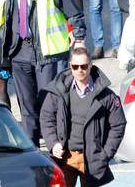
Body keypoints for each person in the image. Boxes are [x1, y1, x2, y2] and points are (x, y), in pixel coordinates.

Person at [0, 0, 86, 146]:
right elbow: (1, 17)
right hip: (18, 50)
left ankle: (55, 146)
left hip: (45, 51)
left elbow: (73, 12)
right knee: (26, 105)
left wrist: (78, 39)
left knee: (48, 102)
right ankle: (31, 149)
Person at [40, 47, 126, 186]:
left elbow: (118, 125)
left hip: (92, 158)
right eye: (75, 66)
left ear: (91, 65)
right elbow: (46, 117)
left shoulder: (106, 95)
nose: (80, 70)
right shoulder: (58, 90)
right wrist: (53, 142)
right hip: (66, 157)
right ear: (70, 66)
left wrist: (105, 154)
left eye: (84, 66)